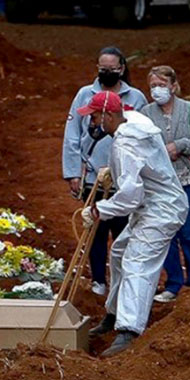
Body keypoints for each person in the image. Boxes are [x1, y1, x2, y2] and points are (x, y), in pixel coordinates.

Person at [78, 91, 188, 358]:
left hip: (160, 209)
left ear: (109, 115)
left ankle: (129, 330)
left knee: (137, 262)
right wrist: (112, 170)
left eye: (95, 116)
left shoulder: (125, 143)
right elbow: (139, 167)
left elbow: (129, 197)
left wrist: (99, 210)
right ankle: (114, 313)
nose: (93, 122)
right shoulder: (134, 121)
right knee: (118, 253)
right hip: (152, 205)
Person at [62, 47, 148, 297]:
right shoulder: (84, 95)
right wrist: (73, 172)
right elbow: (72, 135)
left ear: (122, 69)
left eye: (112, 69)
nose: (107, 72)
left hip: (124, 179)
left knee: (123, 231)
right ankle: (99, 279)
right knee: (95, 231)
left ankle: (123, 282)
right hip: (94, 176)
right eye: (102, 68)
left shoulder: (136, 97)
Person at [140, 66, 190, 303]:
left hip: (186, 180)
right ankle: (173, 283)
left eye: (162, 85)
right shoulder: (146, 113)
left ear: (173, 86)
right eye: (153, 86)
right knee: (166, 234)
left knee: (188, 232)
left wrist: (180, 145)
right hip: (159, 183)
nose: (157, 90)